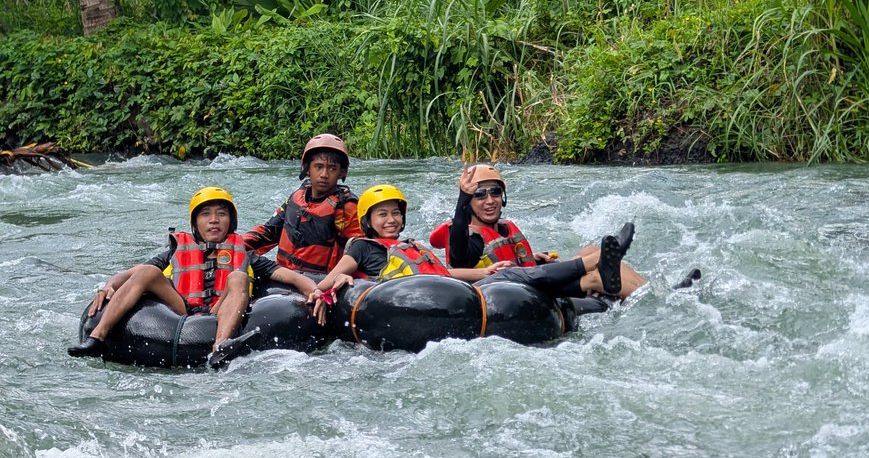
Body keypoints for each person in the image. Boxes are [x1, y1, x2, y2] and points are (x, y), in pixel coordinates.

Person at [68, 186, 326, 359]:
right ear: (195, 222)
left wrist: (314, 291)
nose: (214, 220)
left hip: (217, 309)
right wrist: (108, 286)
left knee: (237, 276)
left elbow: (289, 276)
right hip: (178, 307)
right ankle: (97, 338)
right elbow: (129, 274)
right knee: (148, 271)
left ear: (231, 221)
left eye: (221, 214)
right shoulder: (176, 249)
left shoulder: (244, 254)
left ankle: (219, 348)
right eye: (206, 215)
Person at [311, 184, 642, 303]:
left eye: (395, 214)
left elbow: (445, 272)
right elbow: (329, 279)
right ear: (368, 221)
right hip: (421, 298)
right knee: (520, 277)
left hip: (452, 288)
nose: (391, 221)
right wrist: (338, 283)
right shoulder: (361, 246)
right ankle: (596, 260)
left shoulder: (414, 244)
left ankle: (600, 268)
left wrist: (487, 272)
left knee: (514, 274)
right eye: (382, 215)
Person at [431, 164, 647, 294]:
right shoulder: (470, 234)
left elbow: (516, 262)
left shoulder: (505, 228)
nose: (489, 200)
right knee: (596, 273)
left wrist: (535, 259)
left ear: (502, 197)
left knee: (590, 250)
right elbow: (459, 256)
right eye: (479, 195)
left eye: (495, 193)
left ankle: (650, 291)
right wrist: (462, 198)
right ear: (469, 203)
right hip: (504, 295)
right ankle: (639, 291)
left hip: (531, 280)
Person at [242, 133, 362, 277]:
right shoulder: (297, 197)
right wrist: (236, 245)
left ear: (341, 172)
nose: (324, 174)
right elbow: (269, 232)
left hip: (321, 282)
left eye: (332, 168)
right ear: (307, 169)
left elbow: (360, 250)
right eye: (318, 167)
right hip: (284, 276)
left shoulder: (346, 207)